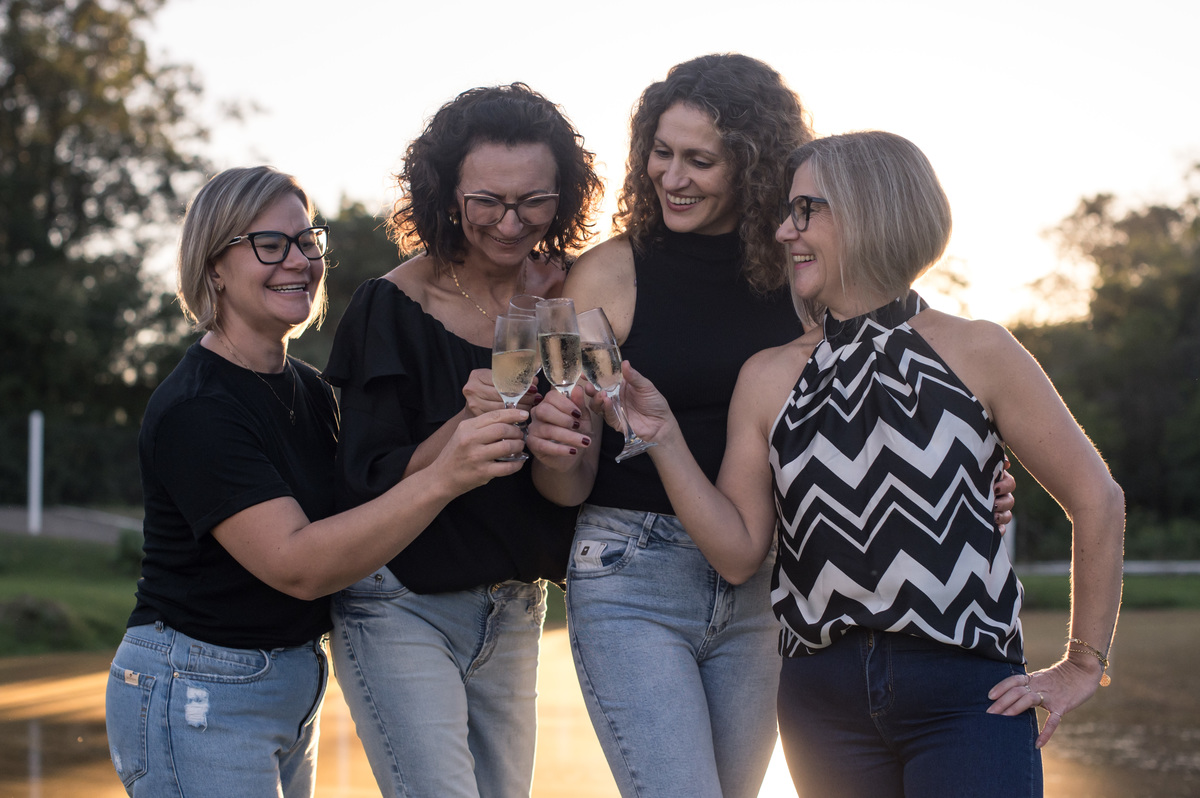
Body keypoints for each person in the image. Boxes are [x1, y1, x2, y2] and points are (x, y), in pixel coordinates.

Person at [527, 54, 1017, 797]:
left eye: (701, 159)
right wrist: (555, 442)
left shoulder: (806, 270)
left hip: (773, 581)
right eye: (661, 152)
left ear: (752, 167)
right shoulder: (605, 275)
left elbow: (876, 400)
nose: (672, 176)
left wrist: (973, 473)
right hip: (633, 573)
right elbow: (569, 480)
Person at [599, 130, 1125, 796]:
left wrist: (1083, 664)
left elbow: (1097, 499)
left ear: (871, 210)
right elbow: (737, 554)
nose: (787, 231)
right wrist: (664, 437)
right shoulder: (767, 377)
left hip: (967, 696)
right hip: (822, 704)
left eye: (806, 211)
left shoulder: (979, 350)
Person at [104, 166, 528, 798]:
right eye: (269, 246)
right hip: (198, 687)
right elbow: (298, 562)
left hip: (287, 684)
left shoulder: (303, 386)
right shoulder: (199, 407)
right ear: (213, 265)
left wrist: (466, 423)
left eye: (307, 242)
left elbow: (369, 501)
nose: (298, 262)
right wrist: (445, 477)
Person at [321, 83, 603, 798]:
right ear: (447, 196)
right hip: (401, 599)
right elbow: (368, 481)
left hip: (514, 606)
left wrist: (562, 375)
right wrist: (461, 425)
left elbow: (575, 467)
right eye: (487, 202)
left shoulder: (566, 303)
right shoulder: (390, 306)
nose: (511, 224)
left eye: (534, 202)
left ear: (564, 199)